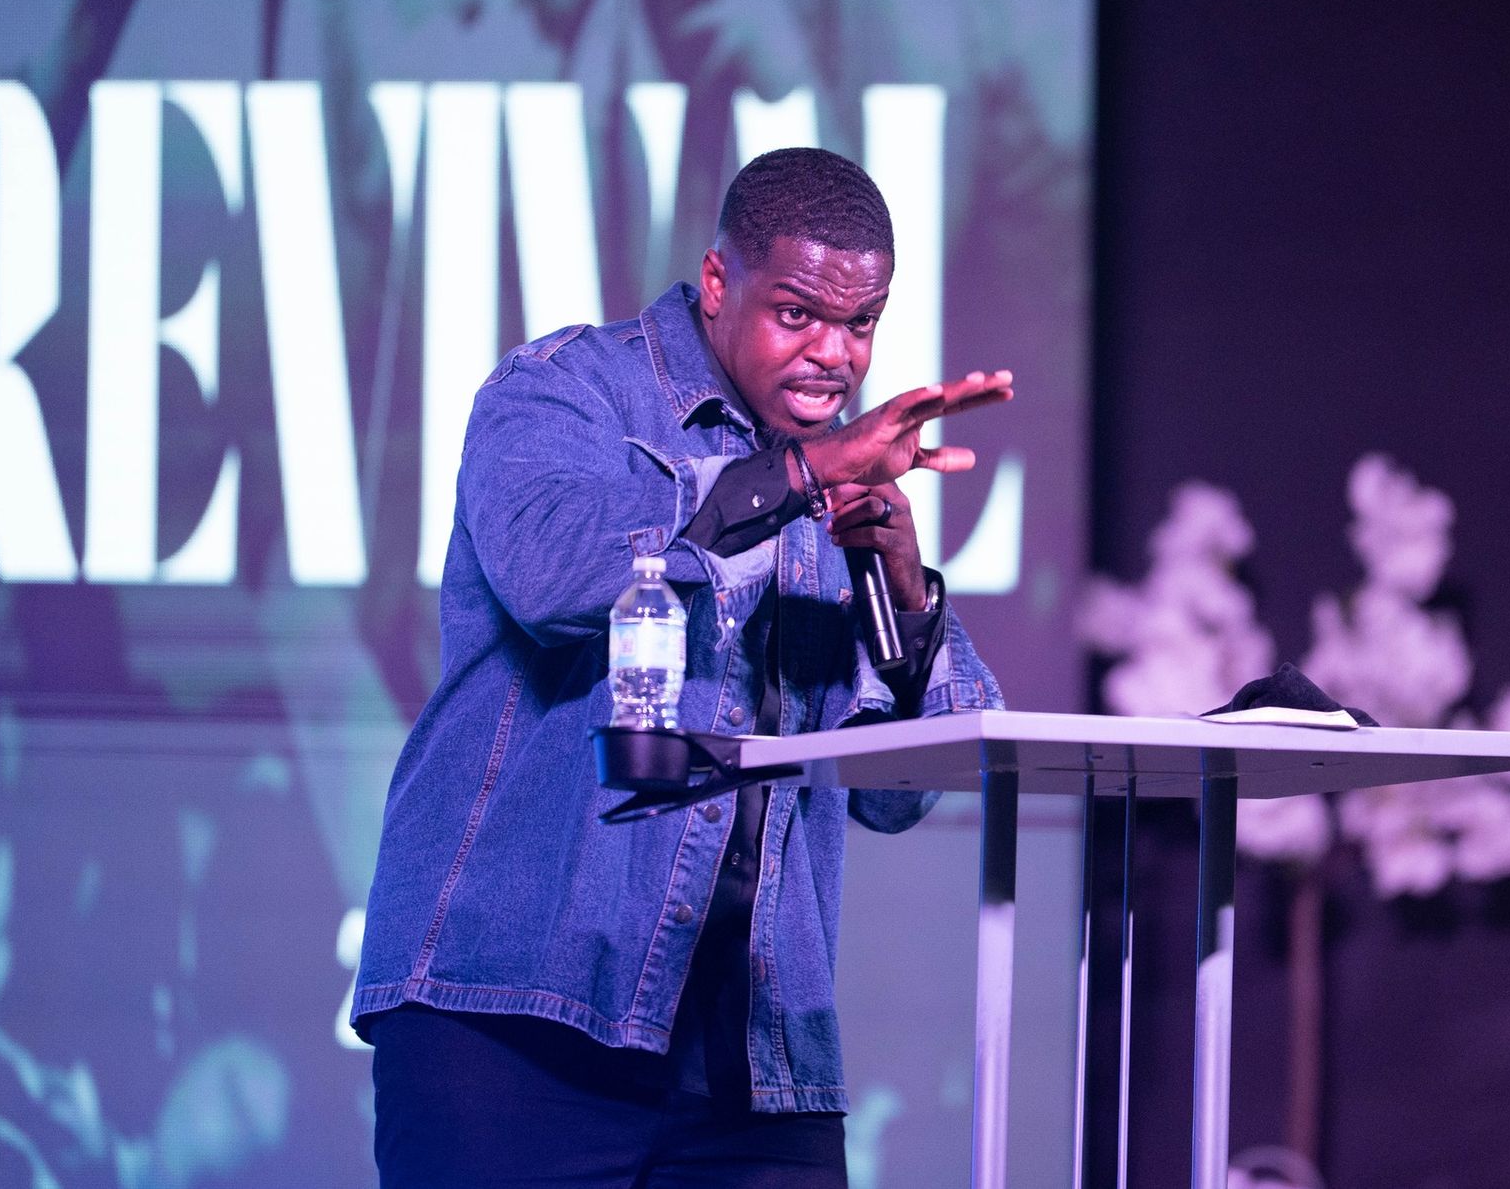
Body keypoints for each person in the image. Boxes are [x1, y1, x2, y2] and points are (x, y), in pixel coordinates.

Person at [351, 147, 1015, 1187]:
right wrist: (793, 478)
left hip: (752, 1059)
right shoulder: (561, 390)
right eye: (798, 313)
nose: (834, 355)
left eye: (861, 323)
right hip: (513, 1020)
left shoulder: (844, 482)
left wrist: (903, 585)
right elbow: (554, 571)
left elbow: (901, 794)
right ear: (717, 283)